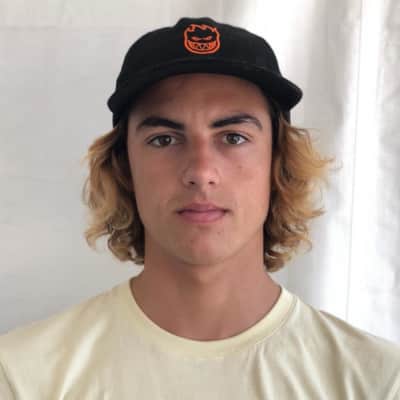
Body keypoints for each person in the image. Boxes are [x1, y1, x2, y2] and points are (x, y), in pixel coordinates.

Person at [1, 16, 399, 399]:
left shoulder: (377, 382)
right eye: (163, 139)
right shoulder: (22, 376)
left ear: (278, 161)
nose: (201, 172)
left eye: (233, 137)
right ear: (123, 167)